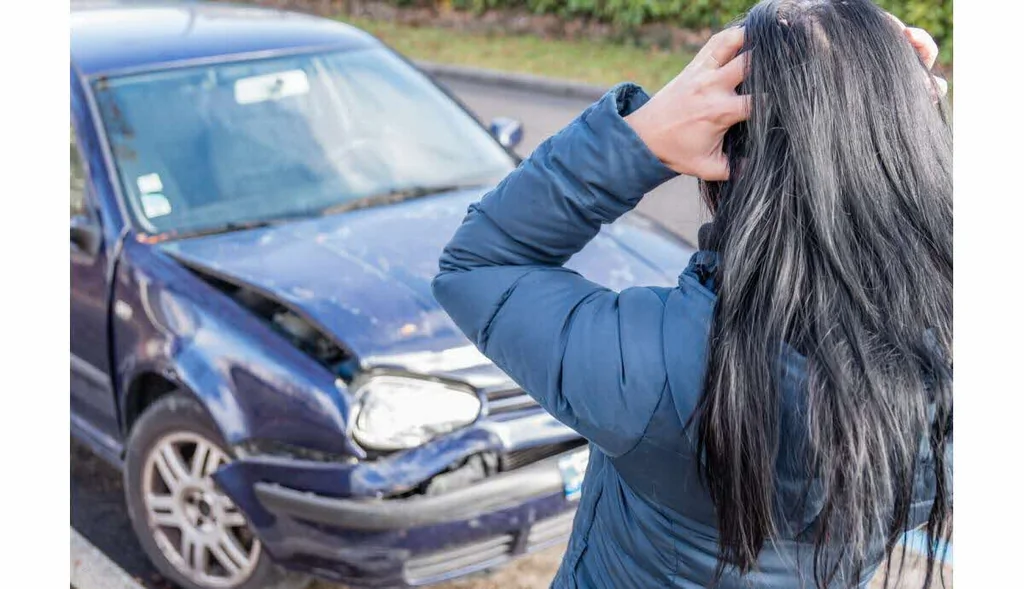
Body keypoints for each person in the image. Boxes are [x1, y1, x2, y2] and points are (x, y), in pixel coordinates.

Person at [432, 0, 952, 587]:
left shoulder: (658, 366)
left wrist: (640, 138)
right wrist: (916, 141)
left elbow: (480, 265)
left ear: (723, 155)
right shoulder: (950, 373)